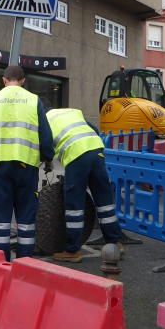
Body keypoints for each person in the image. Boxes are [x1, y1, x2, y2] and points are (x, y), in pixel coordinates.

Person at [0, 65, 53, 262]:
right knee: (26, 218)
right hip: (27, 165)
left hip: (1, 165)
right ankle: (25, 262)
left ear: (4, 80)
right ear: (23, 80)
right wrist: (48, 156)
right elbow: (45, 136)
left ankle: (3, 262)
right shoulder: (33, 100)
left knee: (2, 219)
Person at [46, 108, 123, 262]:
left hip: (76, 154)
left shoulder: (45, 120)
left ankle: (72, 250)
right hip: (96, 150)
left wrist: (47, 163)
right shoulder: (71, 112)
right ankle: (115, 242)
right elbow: (93, 129)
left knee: (74, 202)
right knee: (104, 200)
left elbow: (45, 147)